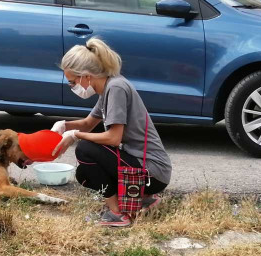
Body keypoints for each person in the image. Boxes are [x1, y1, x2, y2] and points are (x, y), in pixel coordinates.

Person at [51, 37, 172, 227]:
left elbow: (113, 138)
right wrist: (64, 126)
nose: (73, 87)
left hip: (152, 172)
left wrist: (75, 136)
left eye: (72, 82)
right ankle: (143, 200)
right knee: (84, 173)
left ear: (86, 76)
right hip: (143, 168)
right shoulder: (108, 87)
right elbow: (88, 123)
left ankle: (118, 214)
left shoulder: (116, 88)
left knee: (84, 148)